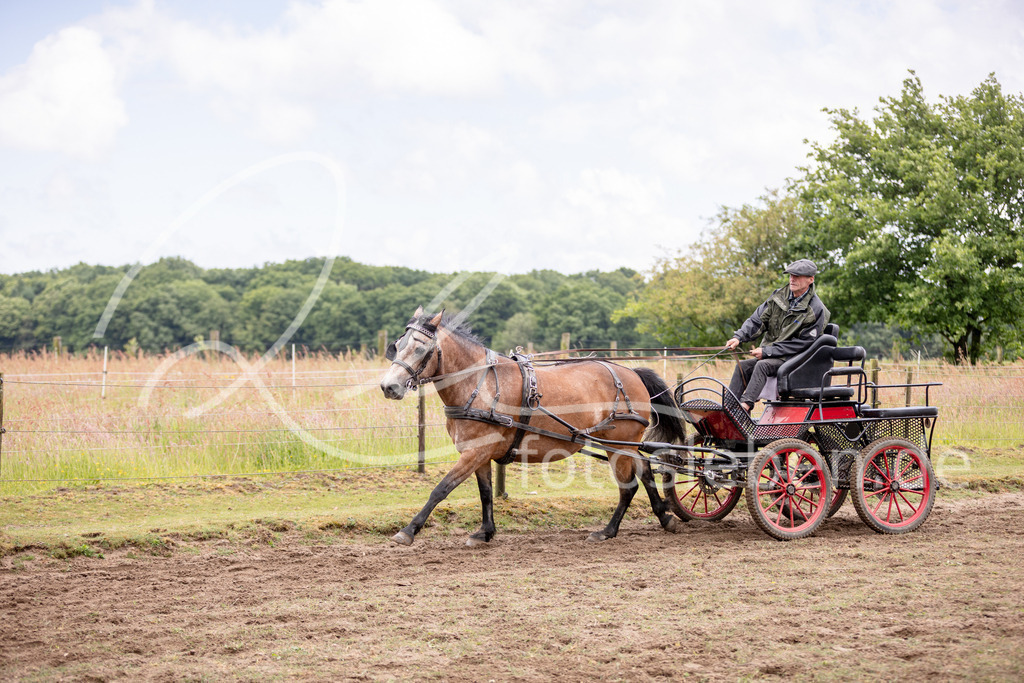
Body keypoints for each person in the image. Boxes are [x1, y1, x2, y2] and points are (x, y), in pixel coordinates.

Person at [725, 259, 830, 413]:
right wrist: (739, 337)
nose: (792, 279)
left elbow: (803, 344)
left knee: (762, 365)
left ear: (810, 279)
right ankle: (728, 408)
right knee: (743, 366)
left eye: (798, 276)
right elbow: (757, 320)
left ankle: (745, 407)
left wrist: (767, 352)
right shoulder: (778, 296)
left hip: (796, 359)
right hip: (775, 354)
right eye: (791, 275)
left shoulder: (816, 310)